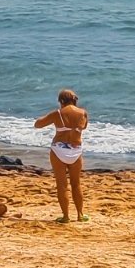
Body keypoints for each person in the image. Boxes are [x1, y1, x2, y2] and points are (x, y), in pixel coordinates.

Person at [32, 88, 88, 222]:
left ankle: (66, 216)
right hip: (76, 150)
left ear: (61, 101)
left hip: (59, 150)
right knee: (76, 184)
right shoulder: (83, 113)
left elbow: (38, 124)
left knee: (62, 185)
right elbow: (84, 127)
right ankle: (80, 215)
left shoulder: (58, 113)